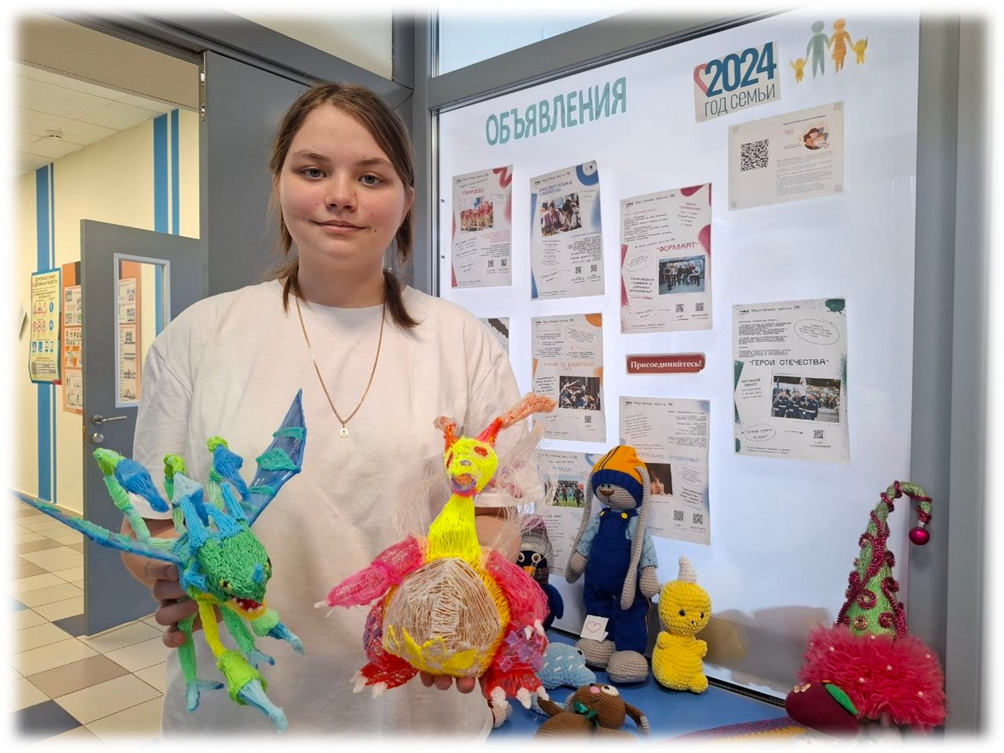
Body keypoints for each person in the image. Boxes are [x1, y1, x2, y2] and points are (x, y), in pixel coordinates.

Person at [119, 82, 531, 739]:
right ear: (279, 183)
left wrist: (465, 599)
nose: (341, 195)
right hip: (242, 704)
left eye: (370, 176)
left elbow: (496, 509)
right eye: (313, 171)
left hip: (417, 702)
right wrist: (178, 575)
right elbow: (148, 520)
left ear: (407, 199)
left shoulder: (464, 342)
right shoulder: (198, 337)